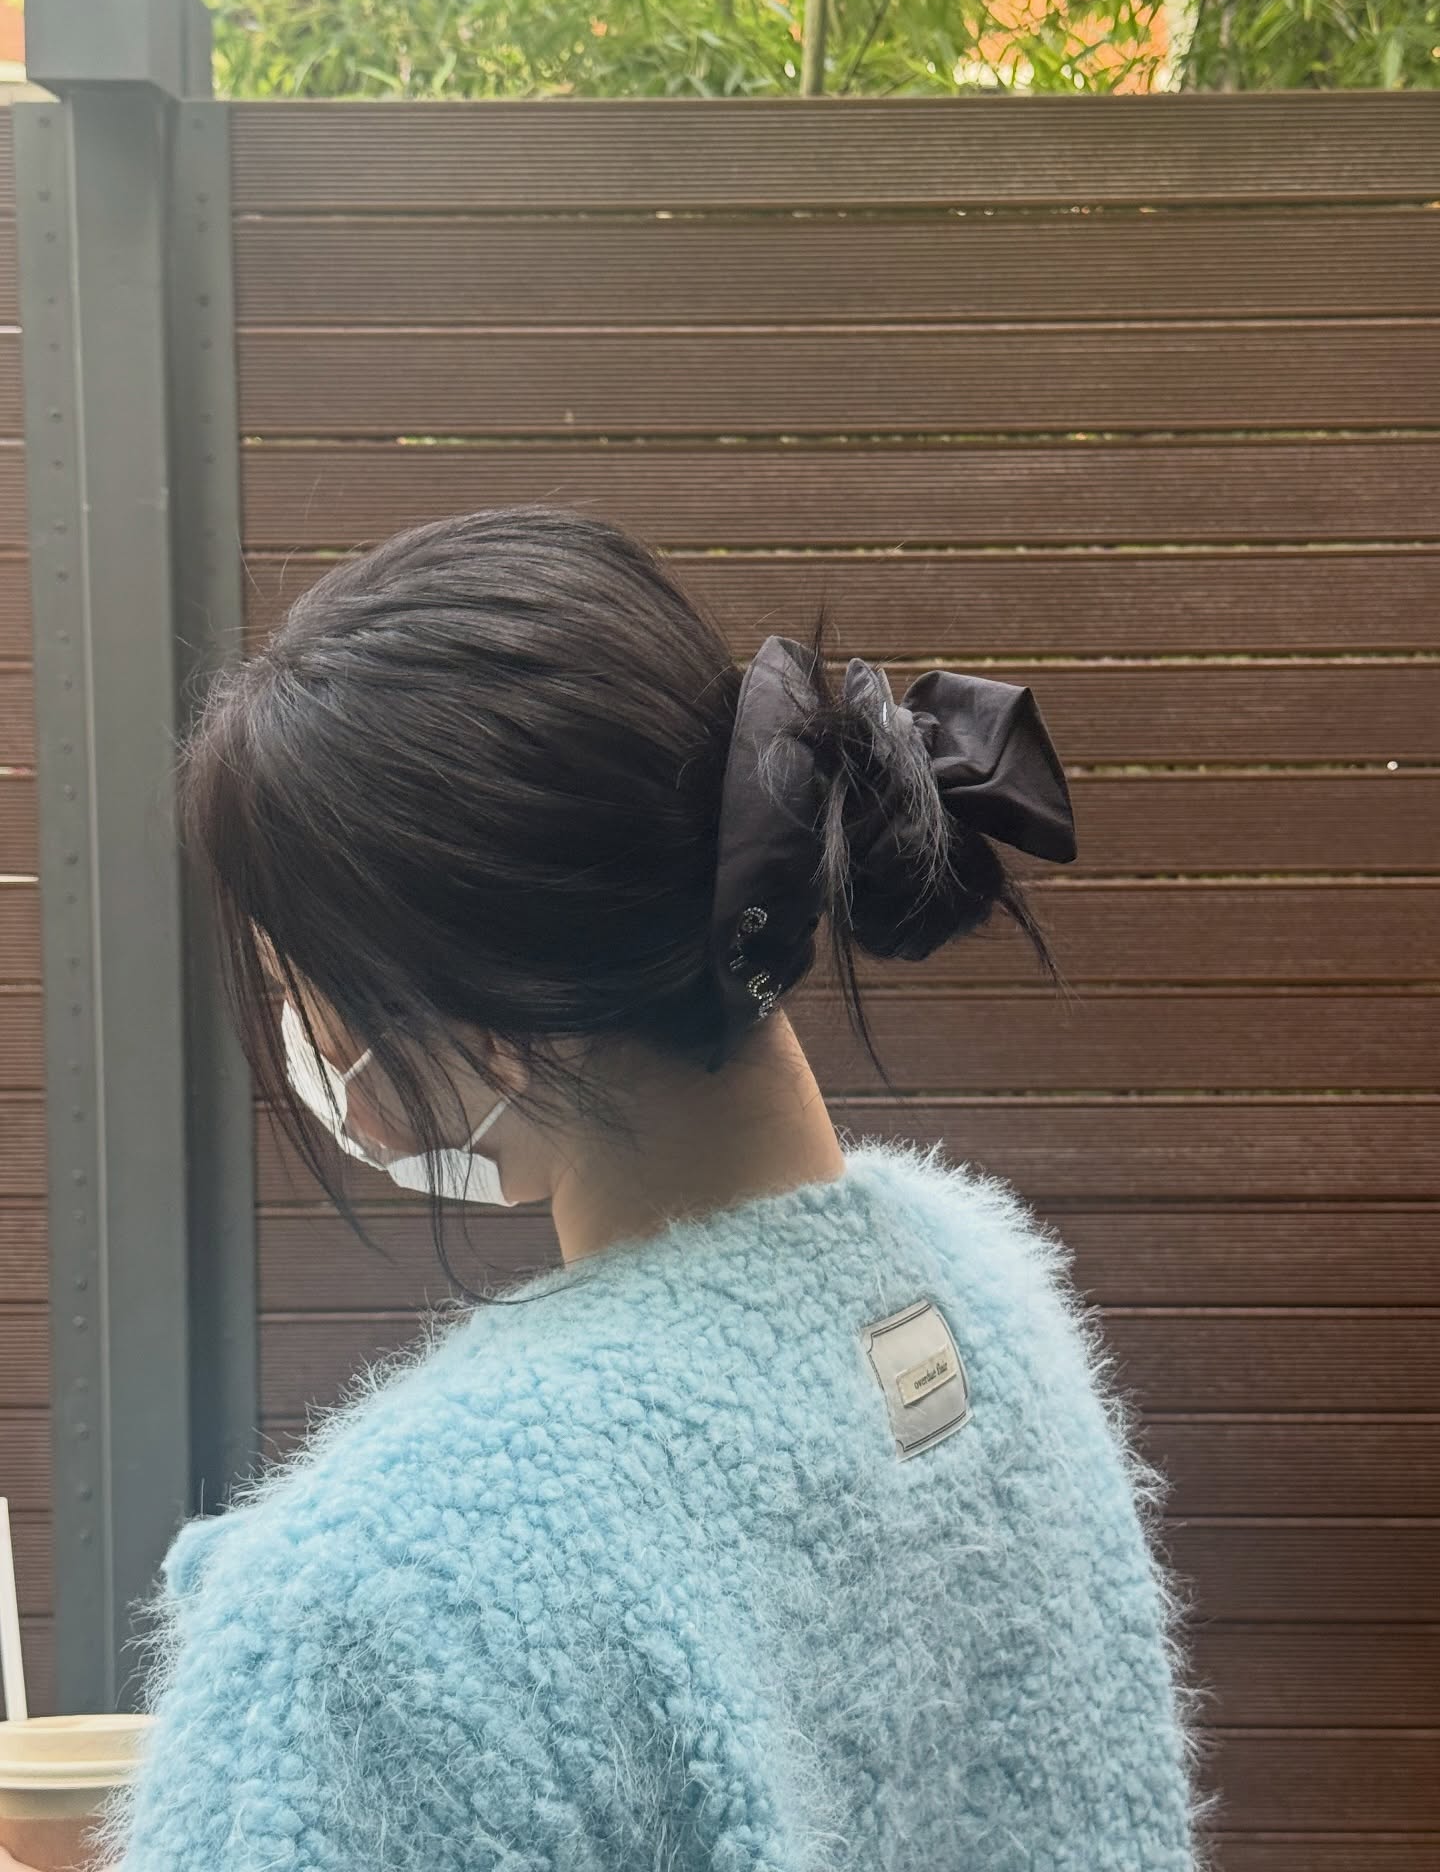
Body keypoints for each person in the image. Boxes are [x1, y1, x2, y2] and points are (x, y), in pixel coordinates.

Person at [12, 505, 1199, 1871]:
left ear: (491, 1030)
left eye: (301, 991)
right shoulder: (989, 1302)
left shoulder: (378, 1604)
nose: (302, 1044)